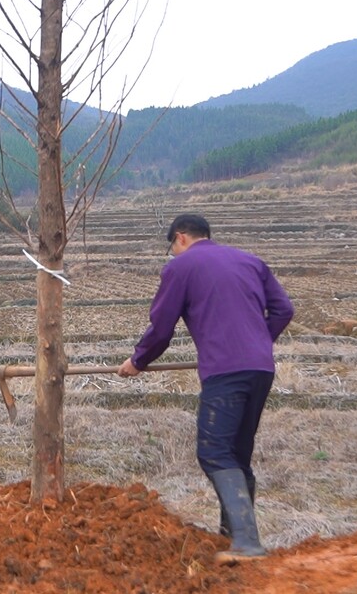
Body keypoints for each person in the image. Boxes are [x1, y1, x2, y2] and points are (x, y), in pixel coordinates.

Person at [118, 213, 293, 564]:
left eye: (172, 246)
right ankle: (233, 538)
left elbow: (162, 326)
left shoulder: (180, 268)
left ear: (180, 238)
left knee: (213, 451)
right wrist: (258, 341)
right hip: (261, 368)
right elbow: (284, 309)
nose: (173, 253)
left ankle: (246, 541)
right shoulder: (250, 261)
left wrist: (137, 361)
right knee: (236, 454)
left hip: (226, 372)